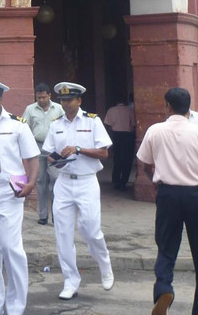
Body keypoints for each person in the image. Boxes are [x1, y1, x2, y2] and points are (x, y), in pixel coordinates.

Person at [136, 86, 198, 315]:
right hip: (196, 197)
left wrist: (156, 181)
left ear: (167, 106)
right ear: (188, 108)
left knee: (166, 248)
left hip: (168, 195)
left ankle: (164, 289)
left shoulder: (154, 131)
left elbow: (145, 165)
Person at [43, 81, 116, 301]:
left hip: (86, 182)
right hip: (64, 182)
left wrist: (78, 149)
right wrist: (56, 161)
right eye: (62, 100)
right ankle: (70, 280)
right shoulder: (56, 124)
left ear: (79, 101)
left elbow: (104, 153)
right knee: (62, 235)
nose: (65, 103)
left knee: (90, 230)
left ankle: (104, 263)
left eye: (69, 99)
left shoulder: (92, 121)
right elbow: (49, 152)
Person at [0, 75, 40, 315]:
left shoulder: (17, 125)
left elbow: (32, 158)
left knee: (12, 249)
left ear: (0, 99)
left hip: (8, 195)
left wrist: (31, 183)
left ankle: (15, 305)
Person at [22, 82, 62, 223]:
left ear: (49, 96)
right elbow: (24, 128)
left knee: (55, 180)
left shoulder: (59, 109)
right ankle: (43, 215)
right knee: (40, 182)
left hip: (54, 149)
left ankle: (56, 214)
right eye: (38, 98)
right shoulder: (30, 109)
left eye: (44, 97)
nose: (41, 100)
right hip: (37, 147)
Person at [103, 93, 136, 190]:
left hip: (115, 135)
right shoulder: (129, 110)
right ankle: (123, 182)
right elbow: (133, 124)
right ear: (125, 101)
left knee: (117, 159)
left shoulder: (111, 110)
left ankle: (116, 181)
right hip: (127, 136)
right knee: (127, 159)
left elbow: (107, 125)